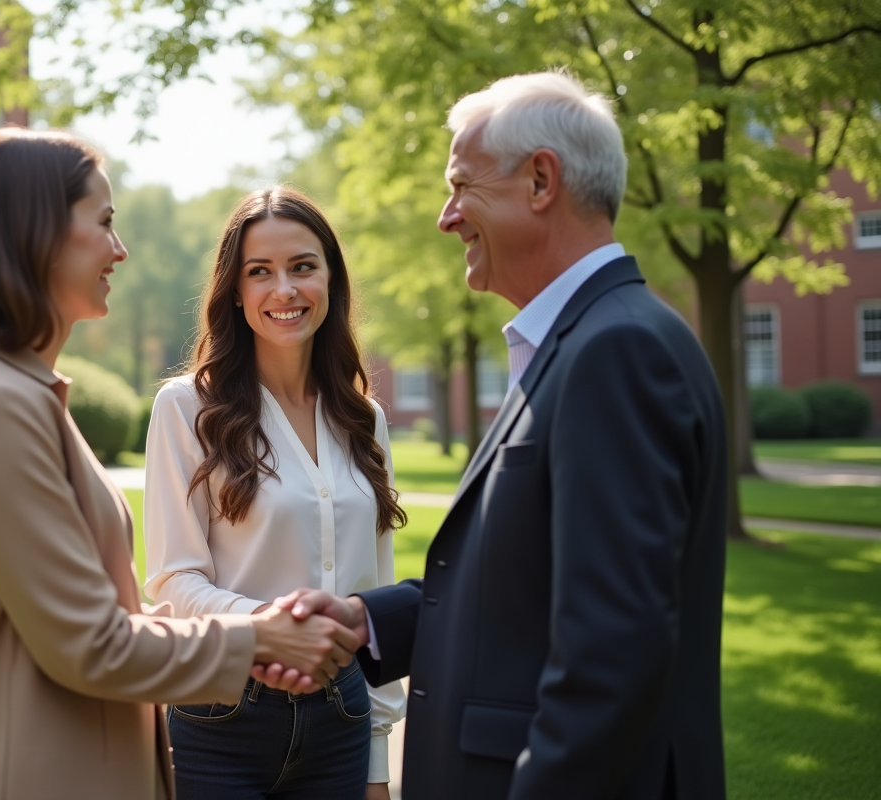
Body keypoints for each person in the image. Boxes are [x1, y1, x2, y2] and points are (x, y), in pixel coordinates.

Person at [276, 71, 728, 799]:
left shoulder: (616, 353)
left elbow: (611, 654)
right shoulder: (585, 341)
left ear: (541, 181)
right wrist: (369, 621)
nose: (446, 217)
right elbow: (529, 583)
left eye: (461, 185)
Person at [0, 128, 360, 800]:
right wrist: (261, 635)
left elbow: (103, 612)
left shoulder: (22, 396)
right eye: (105, 222)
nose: (120, 249)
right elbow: (92, 644)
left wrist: (263, 635)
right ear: (36, 233)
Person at [143, 187, 408, 800]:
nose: (284, 290)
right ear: (234, 291)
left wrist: (377, 760)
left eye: (303, 267)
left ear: (331, 280)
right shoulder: (187, 408)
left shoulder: (364, 419)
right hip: (221, 713)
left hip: (341, 718)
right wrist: (267, 627)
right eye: (259, 272)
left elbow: (375, 589)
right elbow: (174, 579)